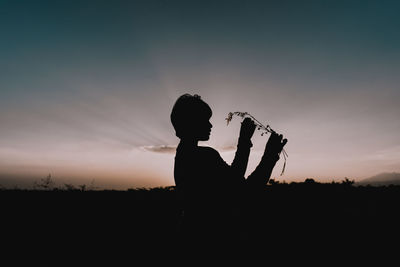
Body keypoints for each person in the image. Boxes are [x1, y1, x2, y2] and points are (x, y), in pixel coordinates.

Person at [170, 93, 287, 252]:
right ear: (192, 122)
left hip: (189, 237)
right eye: (205, 120)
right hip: (211, 241)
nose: (210, 125)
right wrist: (253, 146)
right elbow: (242, 188)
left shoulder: (182, 156)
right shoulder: (203, 156)